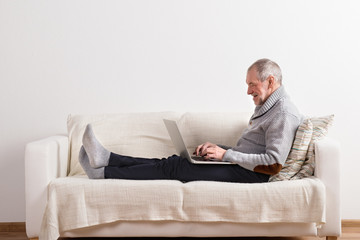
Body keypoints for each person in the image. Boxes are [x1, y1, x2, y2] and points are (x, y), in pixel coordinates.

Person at [79, 58, 303, 183]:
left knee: (175, 167)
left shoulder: (283, 113)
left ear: (270, 81)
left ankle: (103, 171)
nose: (248, 91)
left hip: (252, 175)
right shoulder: (268, 106)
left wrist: (225, 155)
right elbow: (251, 150)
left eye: (252, 84)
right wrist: (218, 150)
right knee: (172, 161)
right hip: (240, 166)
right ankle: (107, 159)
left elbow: (273, 164)